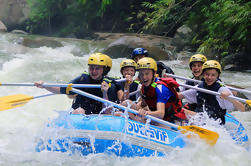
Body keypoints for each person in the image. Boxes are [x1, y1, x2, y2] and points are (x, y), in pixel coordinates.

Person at [35, 53, 123, 114]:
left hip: (101, 117)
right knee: (79, 111)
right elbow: (60, 89)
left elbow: (108, 111)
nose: (93, 71)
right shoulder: (82, 80)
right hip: (81, 115)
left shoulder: (110, 84)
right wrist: (44, 85)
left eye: (97, 68)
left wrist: (105, 92)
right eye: (91, 68)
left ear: (104, 70)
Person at [178, 60, 245, 125]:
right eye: (207, 74)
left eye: (213, 75)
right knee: (177, 110)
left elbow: (242, 109)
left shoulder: (222, 90)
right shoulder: (200, 86)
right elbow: (180, 96)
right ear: (203, 74)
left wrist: (229, 98)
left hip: (215, 124)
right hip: (199, 119)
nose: (209, 77)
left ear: (218, 76)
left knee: (180, 111)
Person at [127, 57, 186, 124]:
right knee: (126, 103)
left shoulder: (160, 88)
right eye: (141, 74)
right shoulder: (144, 86)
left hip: (172, 120)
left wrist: (146, 113)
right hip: (158, 117)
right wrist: (134, 107)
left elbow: (161, 114)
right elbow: (143, 104)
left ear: (154, 73)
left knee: (141, 120)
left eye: (147, 74)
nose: (144, 77)